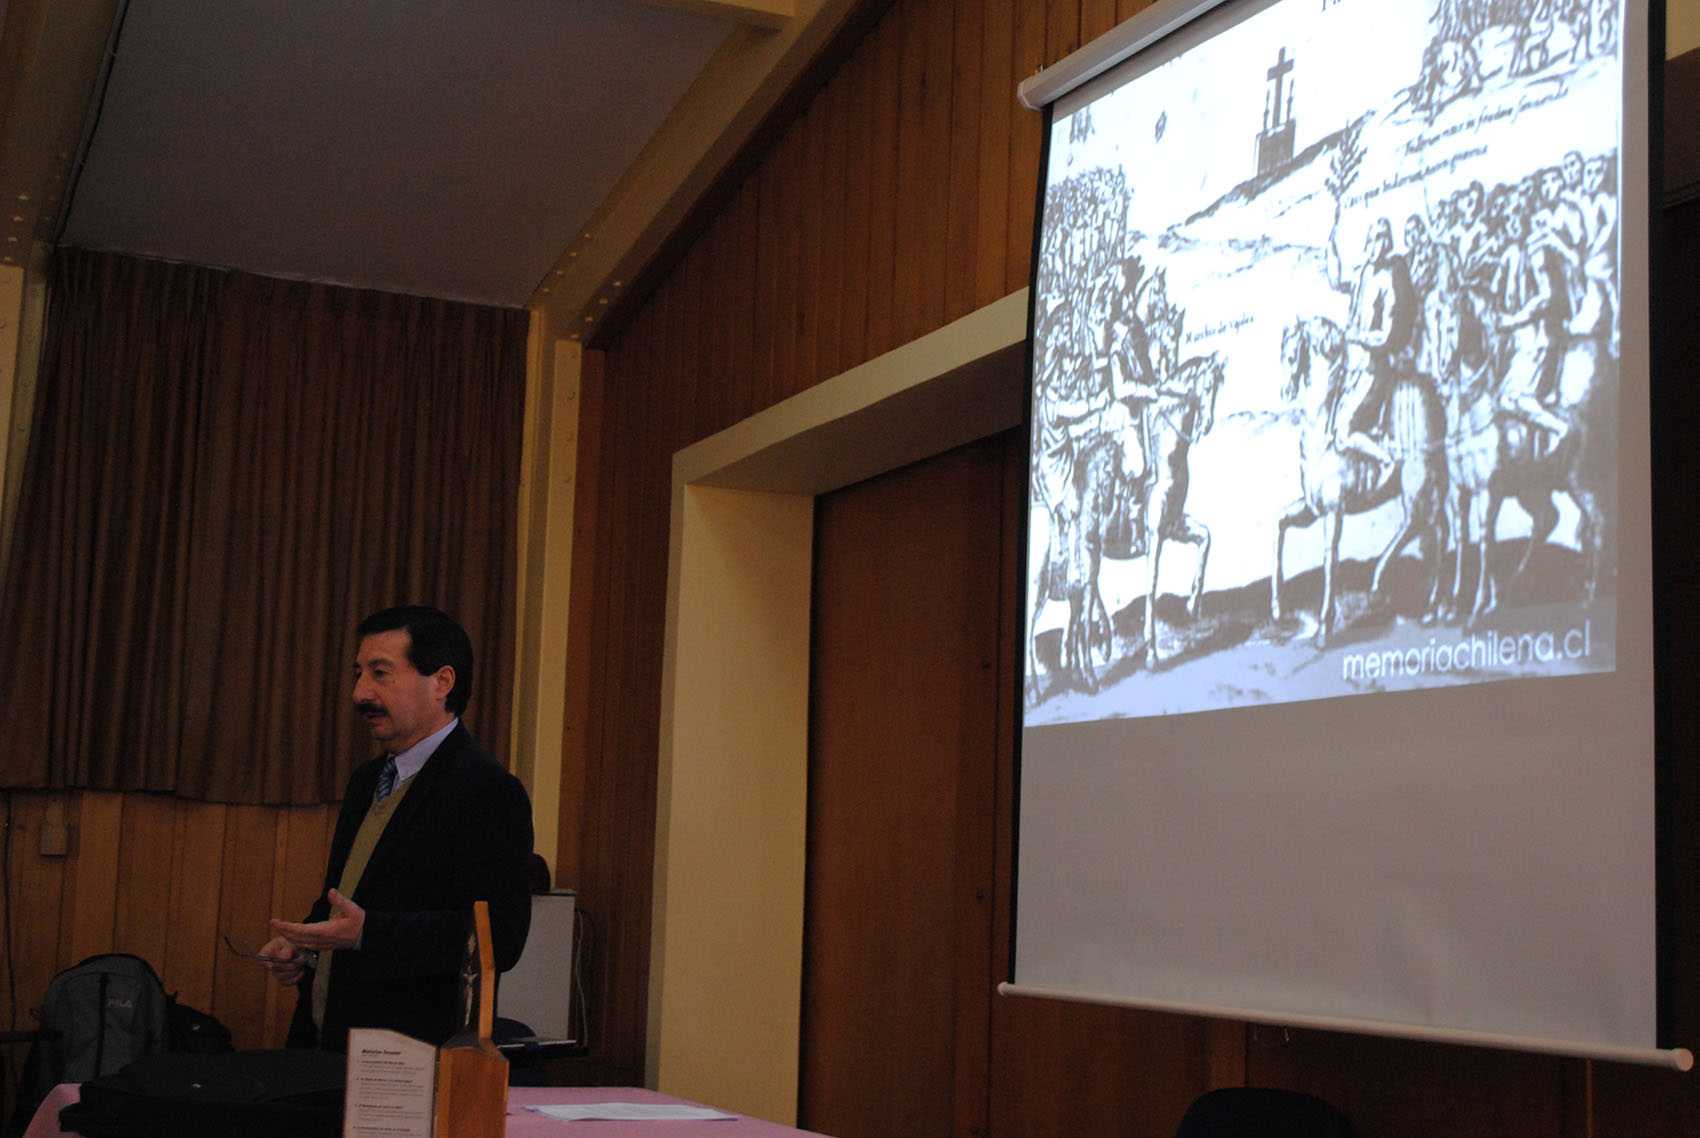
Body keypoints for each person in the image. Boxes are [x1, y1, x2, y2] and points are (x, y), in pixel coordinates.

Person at [259, 605, 534, 1050]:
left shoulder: (488, 790)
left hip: (410, 1057)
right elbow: (349, 897)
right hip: (325, 1047)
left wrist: (369, 933)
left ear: (442, 682)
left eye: (380, 674)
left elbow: (499, 937)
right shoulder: (366, 781)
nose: (359, 694)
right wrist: (306, 944)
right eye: (358, 674)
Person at [1338, 218, 1416, 473]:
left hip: (1373, 368)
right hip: (1351, 367)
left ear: (1388, 243)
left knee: (1343, 433)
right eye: (1372, 239)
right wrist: (1332, 236)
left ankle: (1387, 462)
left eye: (1381, 239)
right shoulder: (1361, 273)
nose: (1375, 245)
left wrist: (1359, 336)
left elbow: (1386, 335)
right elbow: (1336, 279)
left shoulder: (1389, 280)